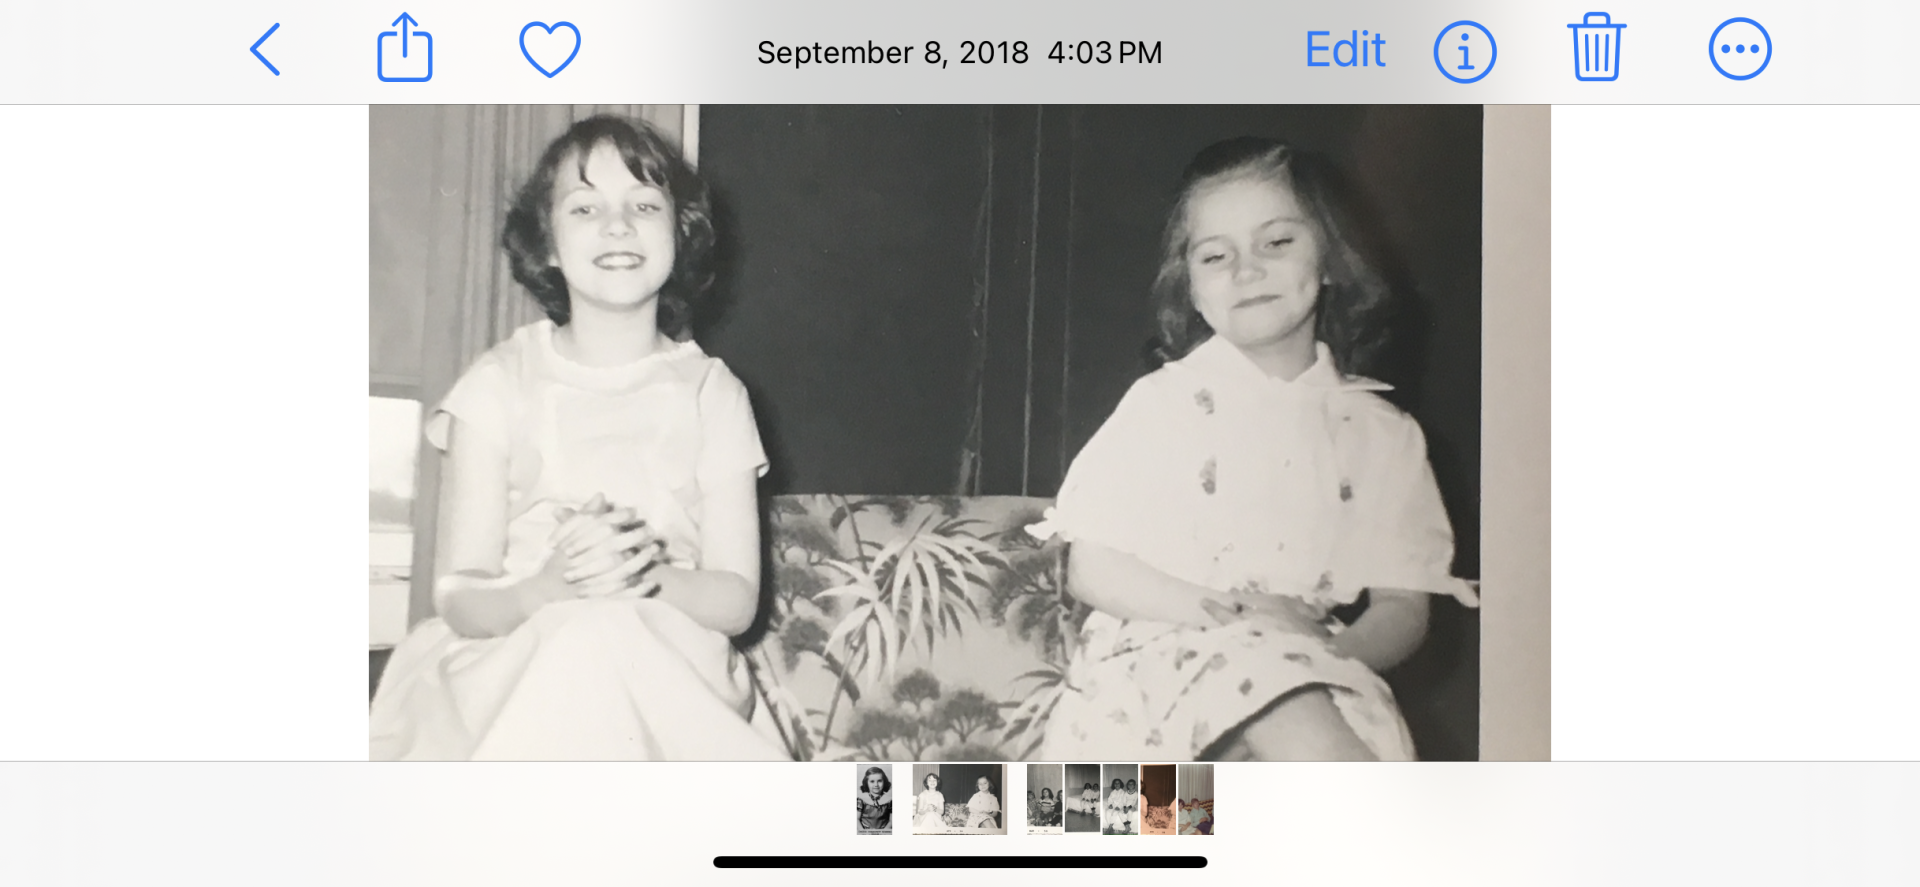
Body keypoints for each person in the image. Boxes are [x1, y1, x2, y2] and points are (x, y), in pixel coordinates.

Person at [1032, 137, 1479, 762]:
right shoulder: (1165, 405)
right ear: (1192, 288)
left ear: (1330, 260)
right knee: (1295, 721)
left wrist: (1329, 656)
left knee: (1340, 734)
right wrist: (1237, 615)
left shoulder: (1381, 433)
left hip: (1318, 666)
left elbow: (1403, 603)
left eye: (1276, 242)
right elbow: (1092, 566)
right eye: (1217, 256)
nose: (1247, 270)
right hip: (1158, 671)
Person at [369, 116, 784, 761]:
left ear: (680, 236)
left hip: (666, 675)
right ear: (549, 244)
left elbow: (736, 599)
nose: (617, 225)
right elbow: (457, 592)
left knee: (599, 641)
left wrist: (638, 575)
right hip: (513, 659)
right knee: (578, 645)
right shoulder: (498, 383)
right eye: (586, 207)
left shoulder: (714, 393)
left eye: (644, 205)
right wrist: (547, 587)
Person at [857, 767, 893, 832]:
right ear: (866, 783)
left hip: (884, 833)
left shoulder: (890, 800)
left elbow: (891, 821)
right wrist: (864, 832)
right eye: (872, 781)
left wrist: (883, 832)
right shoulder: (861, 800)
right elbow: (856, 819)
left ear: (884, 782)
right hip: (865, 833)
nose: (876, 785)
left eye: (879, 781)